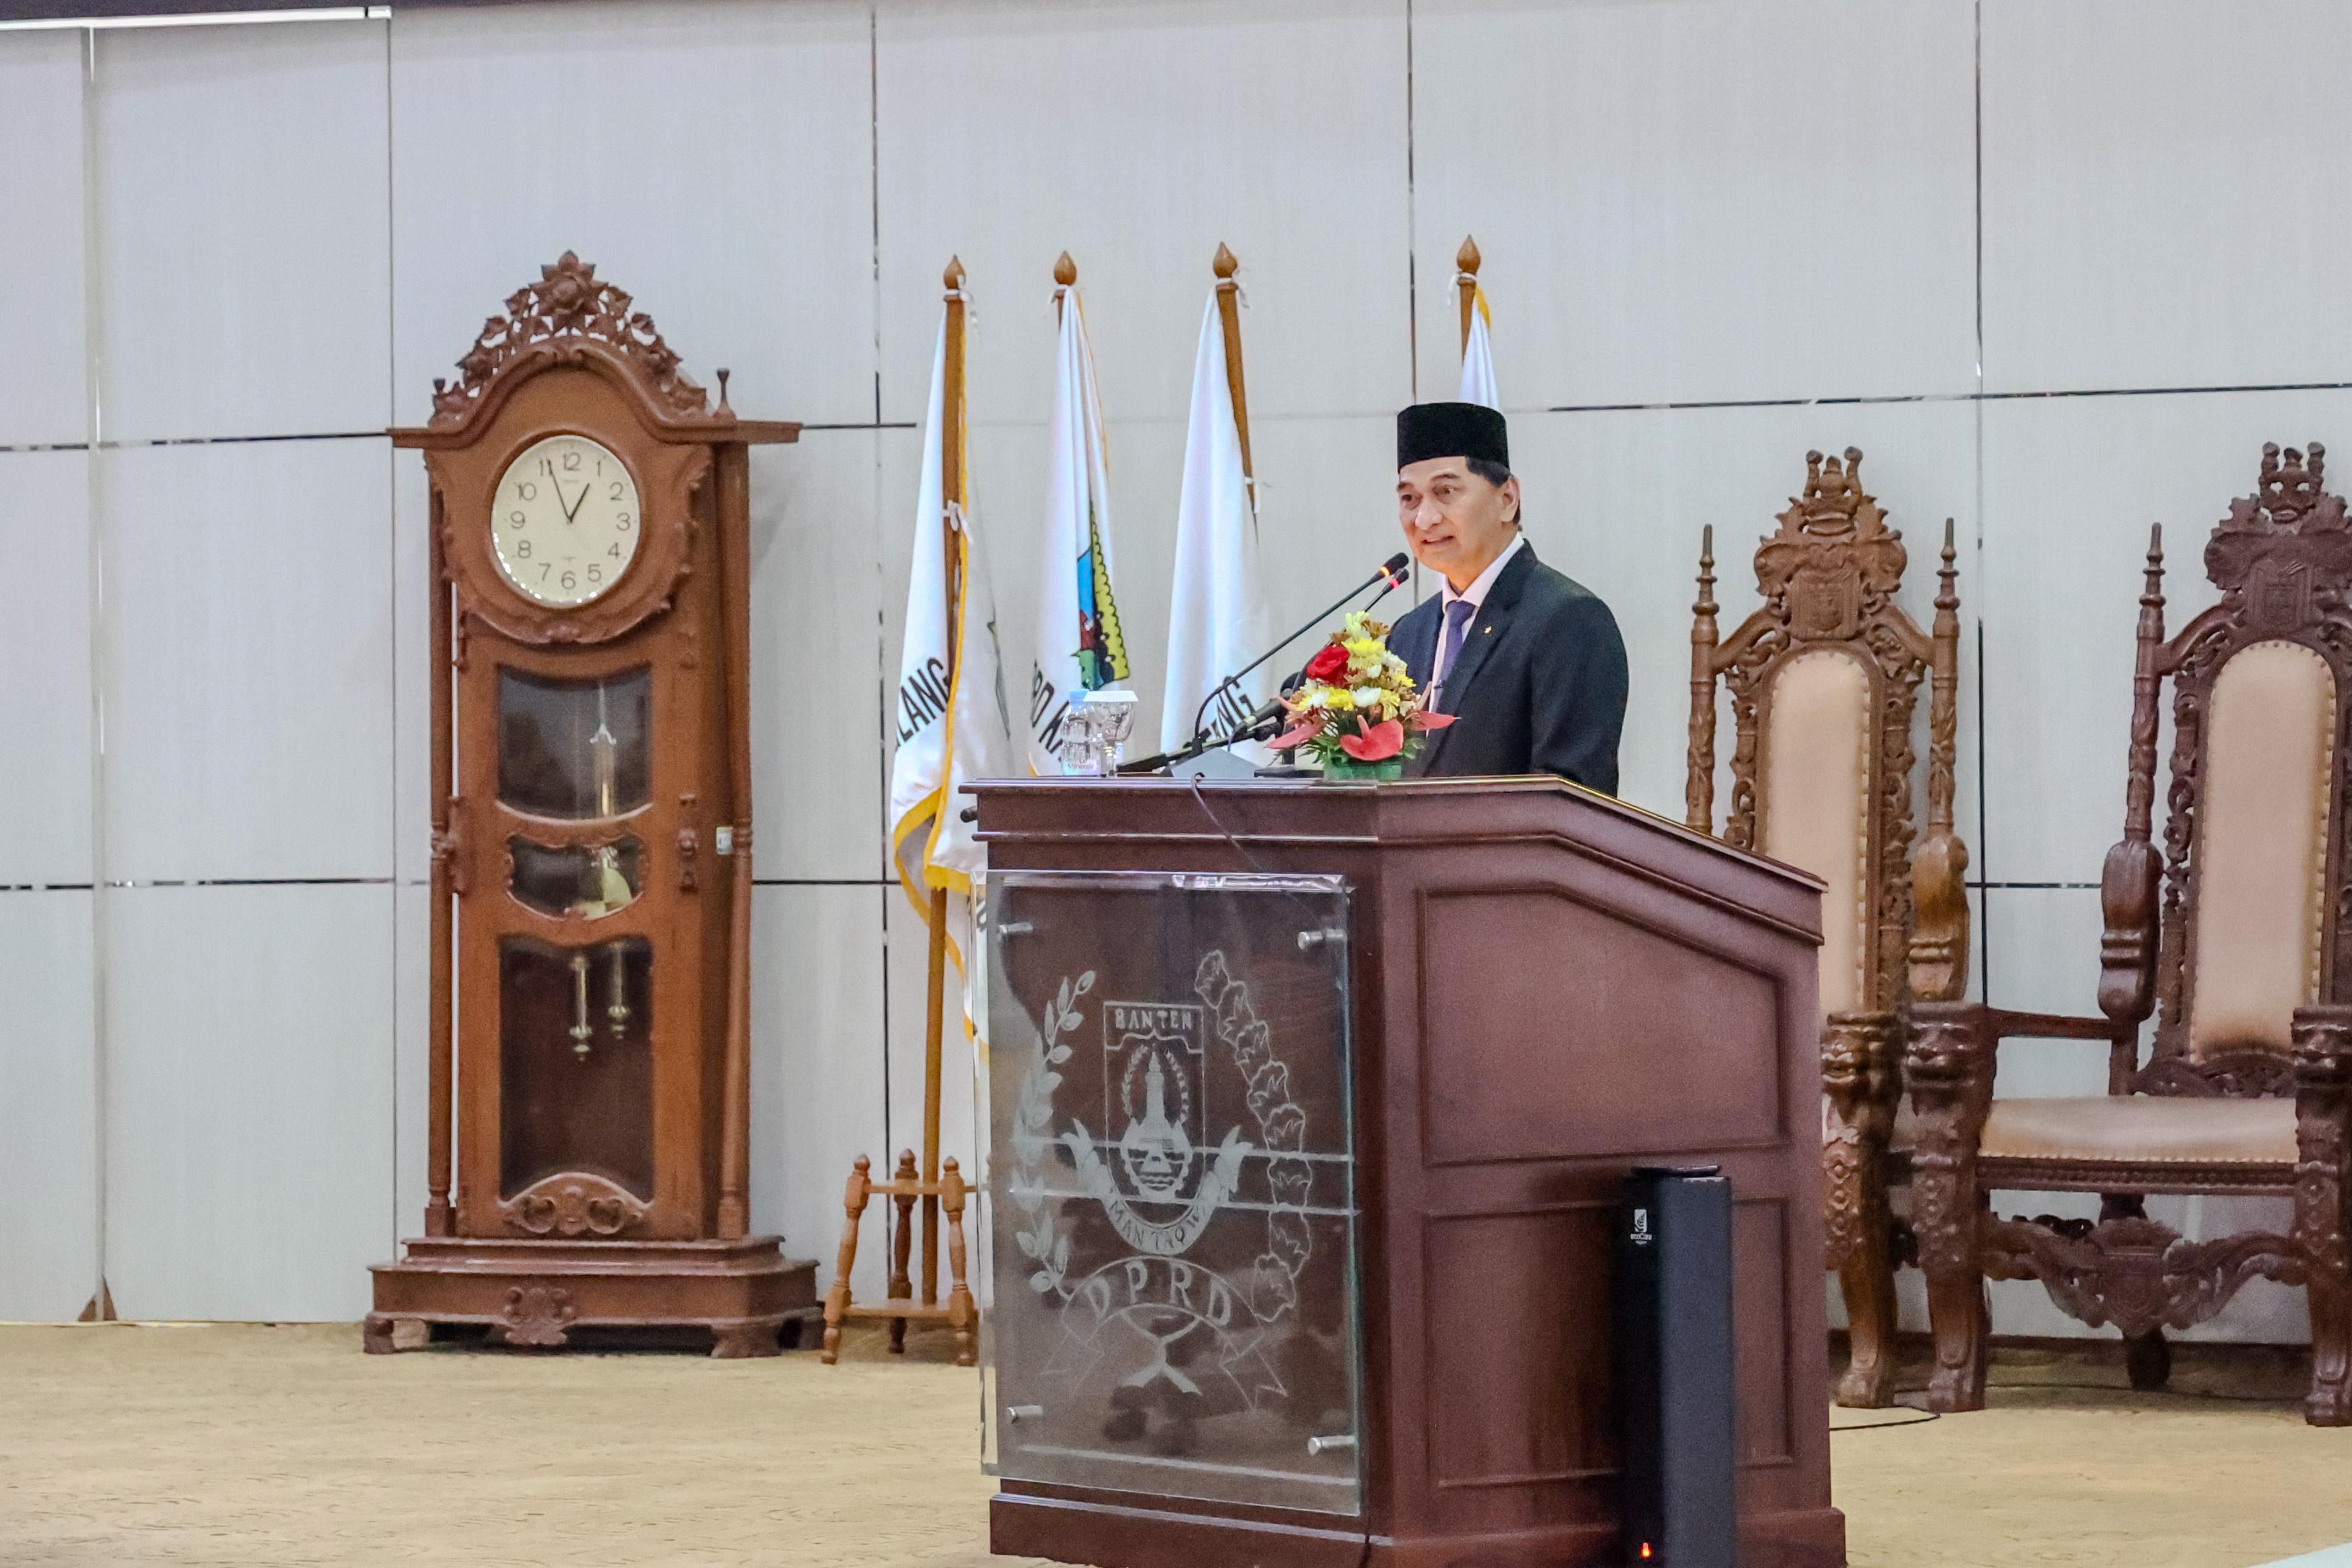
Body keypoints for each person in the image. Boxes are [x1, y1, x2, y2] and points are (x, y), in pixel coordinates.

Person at [1388, 402, 1628, 793]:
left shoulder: (1569, 619)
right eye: (1410, 499)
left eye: (1446, 492)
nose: (1424, 519)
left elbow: (1572, 800)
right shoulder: (1408, 634)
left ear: (1507, 499)